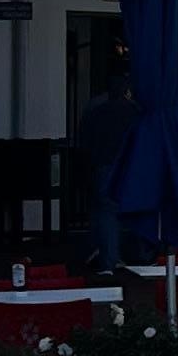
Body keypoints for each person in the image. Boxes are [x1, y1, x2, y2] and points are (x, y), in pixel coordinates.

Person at [75, 46, 137, 275]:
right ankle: (133, 256)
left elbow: (85, 137)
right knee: (129, 210)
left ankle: (107, 258)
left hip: (103, 164)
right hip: (129, 166)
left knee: (106, 211)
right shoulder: (135, 110)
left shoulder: (95, 107)